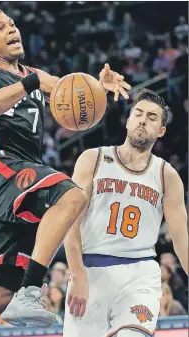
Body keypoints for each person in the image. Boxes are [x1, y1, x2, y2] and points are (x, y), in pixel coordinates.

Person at [0, 8, 131, 336]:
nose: (12, 30)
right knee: (73, 195)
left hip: (20, 173)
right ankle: (32, 289)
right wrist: (29, 81)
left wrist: (98, 89)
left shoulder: (35, 74)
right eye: (1, 27)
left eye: (13, 24)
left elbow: (71, 94)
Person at [63, 89, 188, 337]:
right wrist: (77, 273)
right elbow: (69, 223)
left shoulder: (167, 175)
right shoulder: (93, 159)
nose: (143, 120)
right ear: (128, 120)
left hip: (140, 275)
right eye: (138, 114)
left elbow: (181, 238)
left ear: (161, 130)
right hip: (91, 271)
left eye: (152, 117)